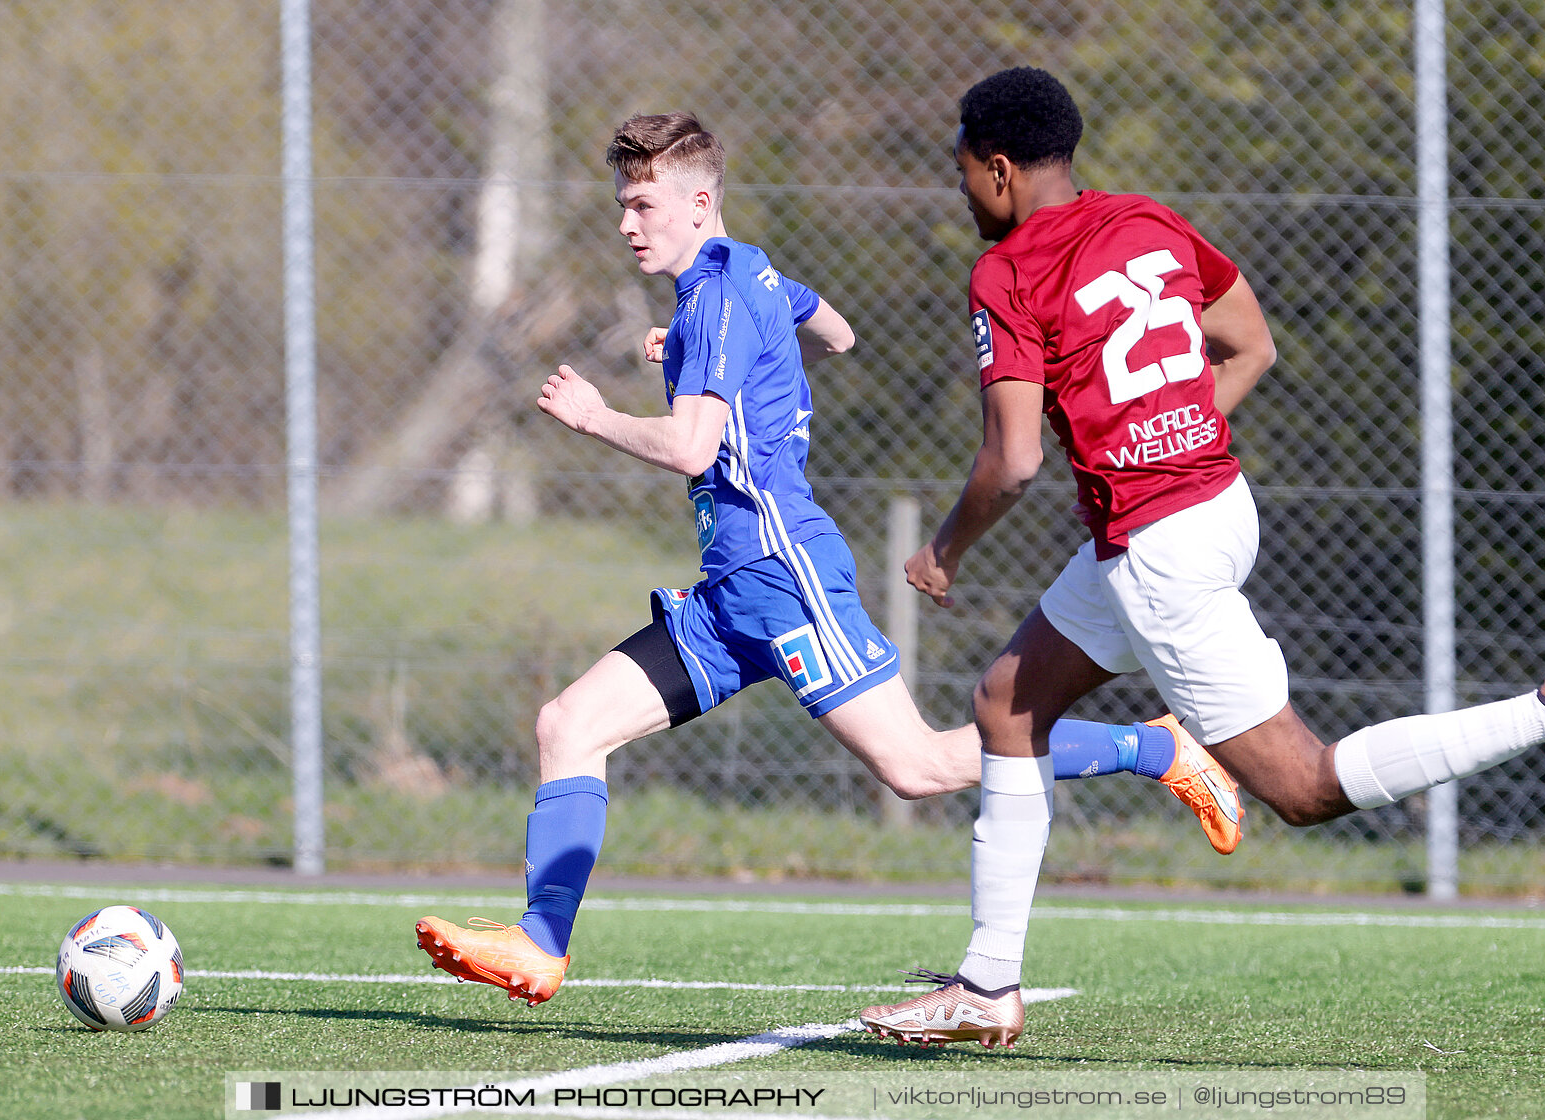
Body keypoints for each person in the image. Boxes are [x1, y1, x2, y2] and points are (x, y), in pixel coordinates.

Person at [857, 67, 1545, 1050]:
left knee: (1303, 786)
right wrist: (1167, 440)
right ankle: (986, 989)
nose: (960, 192)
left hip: (1156, 549)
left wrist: (944, 551)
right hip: (1212, 504)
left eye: (963, 174)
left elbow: (1015, 459)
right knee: (1007, 702)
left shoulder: (1008, 272)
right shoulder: (1149, 222)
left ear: (998, 168)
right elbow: (1250, 345)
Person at [415, 112, 1245, 1008]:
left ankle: (1153, 748)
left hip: (783, 575)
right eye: (622, 203)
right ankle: (541, 944)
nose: (627, 223)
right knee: (567, 726)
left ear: (699, 202)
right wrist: (715, 351)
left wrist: (596, 415)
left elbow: (696, 448)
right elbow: (838, 331)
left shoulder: (719, 297)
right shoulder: (749, 275)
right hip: (729, 597)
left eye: (643, 203)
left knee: (918, 767)